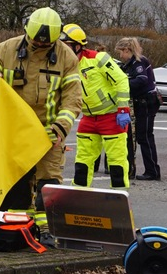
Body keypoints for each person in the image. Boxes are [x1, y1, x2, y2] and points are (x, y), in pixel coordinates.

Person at [0, 7, 81, 238]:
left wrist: (60, 129)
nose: (40, 46)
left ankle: (47, 230)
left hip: (48, 134)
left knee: (49, 183)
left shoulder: (67, 58)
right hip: (14, 133)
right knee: (16, 182)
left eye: (46, 44)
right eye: (35, 42)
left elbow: (73, 100)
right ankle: (18, 228)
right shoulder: (7, 49)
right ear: (26, 32)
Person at [61, 24, 131, 189]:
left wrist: (123, 109)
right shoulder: (65, 66)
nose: (62, 49)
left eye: (66, 45)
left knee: (116, 163)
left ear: (78, 46)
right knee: (82, 162)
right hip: (88, 119)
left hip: (112, 117)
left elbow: (121, 80)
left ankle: (119, 198)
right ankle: (79, 196)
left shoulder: (98, 59)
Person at [117, 37, 161, 181]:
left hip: (147, 102)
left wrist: (124, 82)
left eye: (120, 52)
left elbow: (141, 80)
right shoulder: (128, 65)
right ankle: (139, 169)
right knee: (138, 137)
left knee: (145, 137)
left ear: (127, 50)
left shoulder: (139, 62)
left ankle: (152, 171)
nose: (120, 56)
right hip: (139, 102)